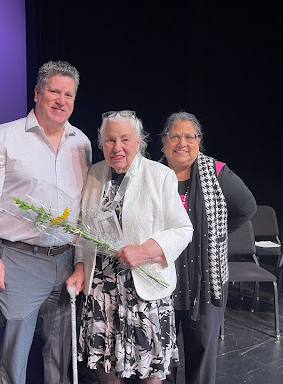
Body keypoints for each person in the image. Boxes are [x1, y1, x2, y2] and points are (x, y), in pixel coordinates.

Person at [0, 60, 91, 384]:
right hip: (20, 260)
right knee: (16, 352)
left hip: (65, 260)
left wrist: (80, 263)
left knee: (60, 351)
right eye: (54, 91)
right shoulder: (4, 137)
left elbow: (83, 210)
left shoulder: (82, 143)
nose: (61, 100)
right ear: (37, 93)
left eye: (69, 94)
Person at [66, 110, 194, 383]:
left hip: (145, 288)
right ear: (102, 144)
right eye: (110, 140)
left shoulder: (160, 175)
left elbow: (183, 229)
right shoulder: (94, 174)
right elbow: (84, 229)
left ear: (139, 142)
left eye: (125, 139)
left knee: (150, 369)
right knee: (105, 365)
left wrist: (144, 251)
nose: (117, 147)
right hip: (101, 288)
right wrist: (80, 265)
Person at [159, 111, 257, 384]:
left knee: (201, 356)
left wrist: (215, 235)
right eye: (175, 136)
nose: (182, 143)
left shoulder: (216, 172)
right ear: (164, 142)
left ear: (199, 141)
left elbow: (247, 208)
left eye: (190, 136)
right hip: (159, 281)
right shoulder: (151, 174)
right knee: (161, 357)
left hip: (204, 282)